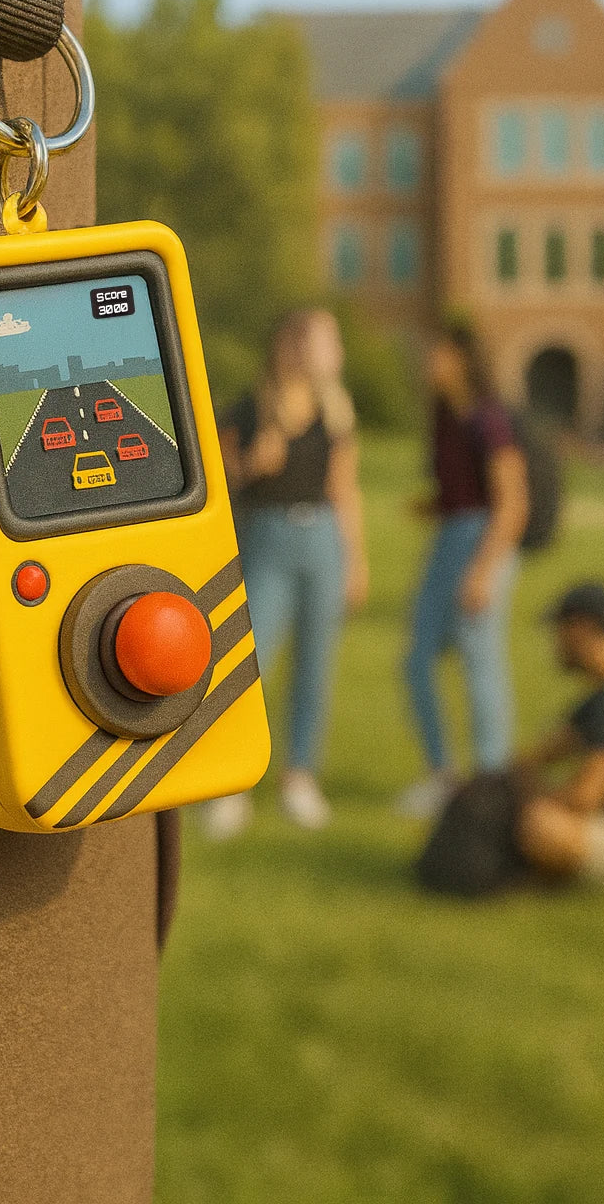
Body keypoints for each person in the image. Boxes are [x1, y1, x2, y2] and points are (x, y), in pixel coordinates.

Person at [208, 308, 369, 836]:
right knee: (250, 660)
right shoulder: (249, 409)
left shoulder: (334, 413)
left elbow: (344, 489)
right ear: (291, 348)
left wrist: (356, 560)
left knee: (315, 663)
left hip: (321, 537)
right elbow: (218, 479)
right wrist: (254, 464)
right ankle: (233, 784)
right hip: (268, 535)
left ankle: (300, 777)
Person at [398, 323, 529, 818]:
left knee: (481, 662)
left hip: (483, 544)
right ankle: (444, 777)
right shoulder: (444, 417)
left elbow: (512, 504)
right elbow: (462, 488)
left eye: (436, 350)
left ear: (459, 358)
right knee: (417, 662)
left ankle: (493, 784)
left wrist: (482, 572)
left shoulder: (488, 420)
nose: (427, 359)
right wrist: (437, 506)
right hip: (451, 537)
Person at [517, 582, 604, 899]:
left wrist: (528, 802)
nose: (555, 643)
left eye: (559, 629)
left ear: (582, 629)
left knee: (542, 828)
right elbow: (544, 753)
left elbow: (590, 794)